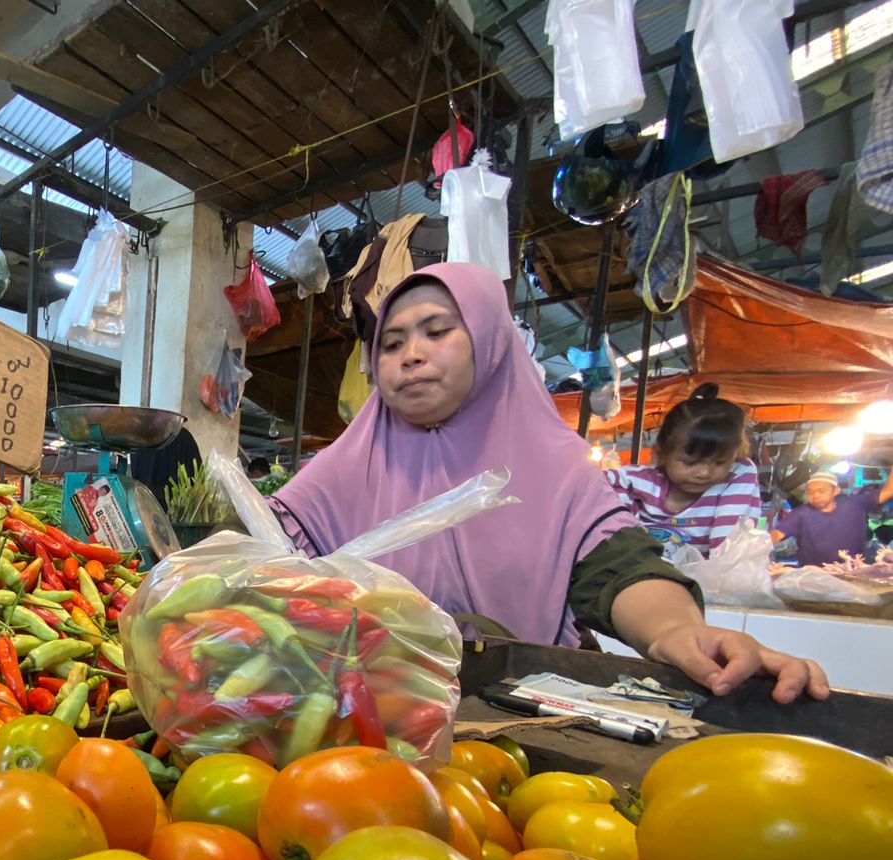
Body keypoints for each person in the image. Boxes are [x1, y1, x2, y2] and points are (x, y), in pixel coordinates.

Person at [270, 262, 827, 703]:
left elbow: (617, 569)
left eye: (436, 332)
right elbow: (257, 557)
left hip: (511, 719)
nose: (409, 356)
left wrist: (677, 633)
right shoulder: (339, 470)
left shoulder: (555, 468)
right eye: (390, 345)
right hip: (364, 715)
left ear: (492, 344)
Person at [605, 385, 763, 552]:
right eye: (690, 463)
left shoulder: (737, 475)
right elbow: (596, 487)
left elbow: (729, 553)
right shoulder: (636, 482)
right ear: (663, 454)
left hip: (706, 576)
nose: (704, 473)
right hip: (641, 573)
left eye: (720, 462)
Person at [770, 470, 893, 565]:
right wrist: (757, 543)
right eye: (811, 492)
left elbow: (888, 491)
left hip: (852, 573)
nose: (815, 495)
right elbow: (777, 534)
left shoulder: (855, 504)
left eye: (821, 491)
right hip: (813, 576)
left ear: (836, 491)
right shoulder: (801, 513)